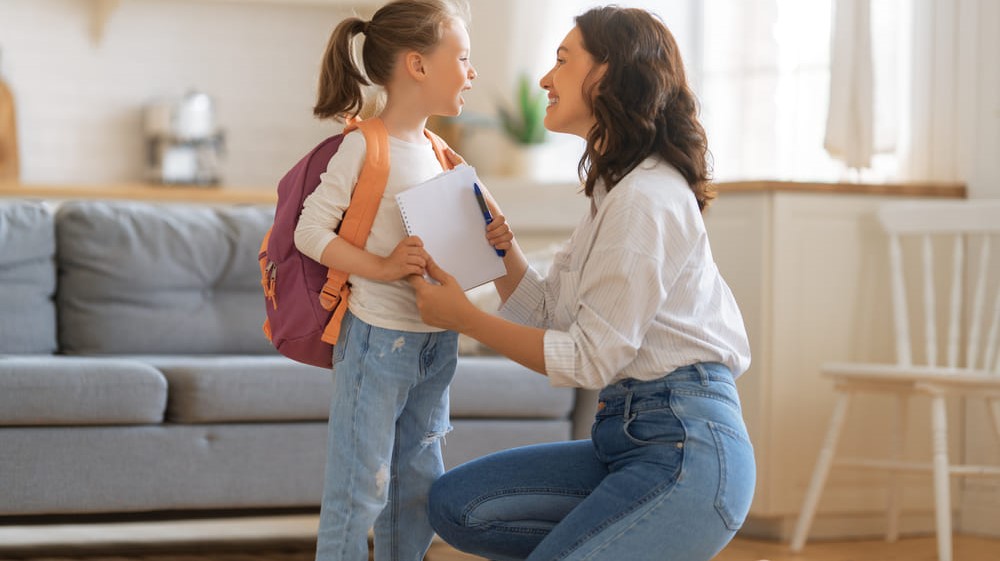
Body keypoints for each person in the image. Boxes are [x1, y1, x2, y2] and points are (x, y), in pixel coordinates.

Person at [408, 6, 755, 561]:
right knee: (457, 504)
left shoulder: (645, 200)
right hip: (624, 437)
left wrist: (465, 319)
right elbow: (548, 311)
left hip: (685, 445)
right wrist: (503, 252)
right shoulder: (612, 194)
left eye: (562, 61)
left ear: (610, 76)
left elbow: (588, 360)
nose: (546, 78)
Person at [291, 2, 495, 560]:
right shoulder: (365, 144)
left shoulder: (439, 154)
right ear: (418, 66)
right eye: (464, 58)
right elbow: (309, 231)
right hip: (378, 340)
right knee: (359, 488)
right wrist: (381, 267)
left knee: (417, 488)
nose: (472, 72)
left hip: (436, 342)